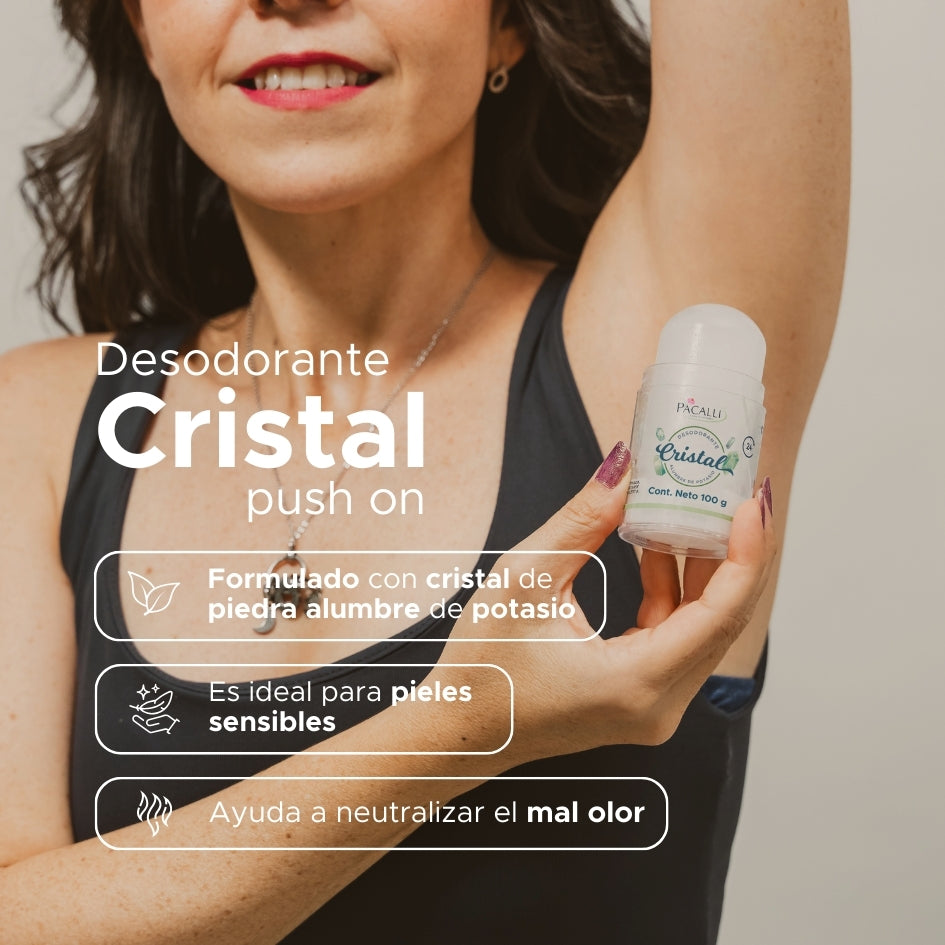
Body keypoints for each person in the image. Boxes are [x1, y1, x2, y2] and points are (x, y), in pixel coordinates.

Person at [0, 1, 849, 942]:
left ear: (508, 24)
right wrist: (464, 723)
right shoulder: (38, 426)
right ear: (142, 27)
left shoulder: (655, 346)